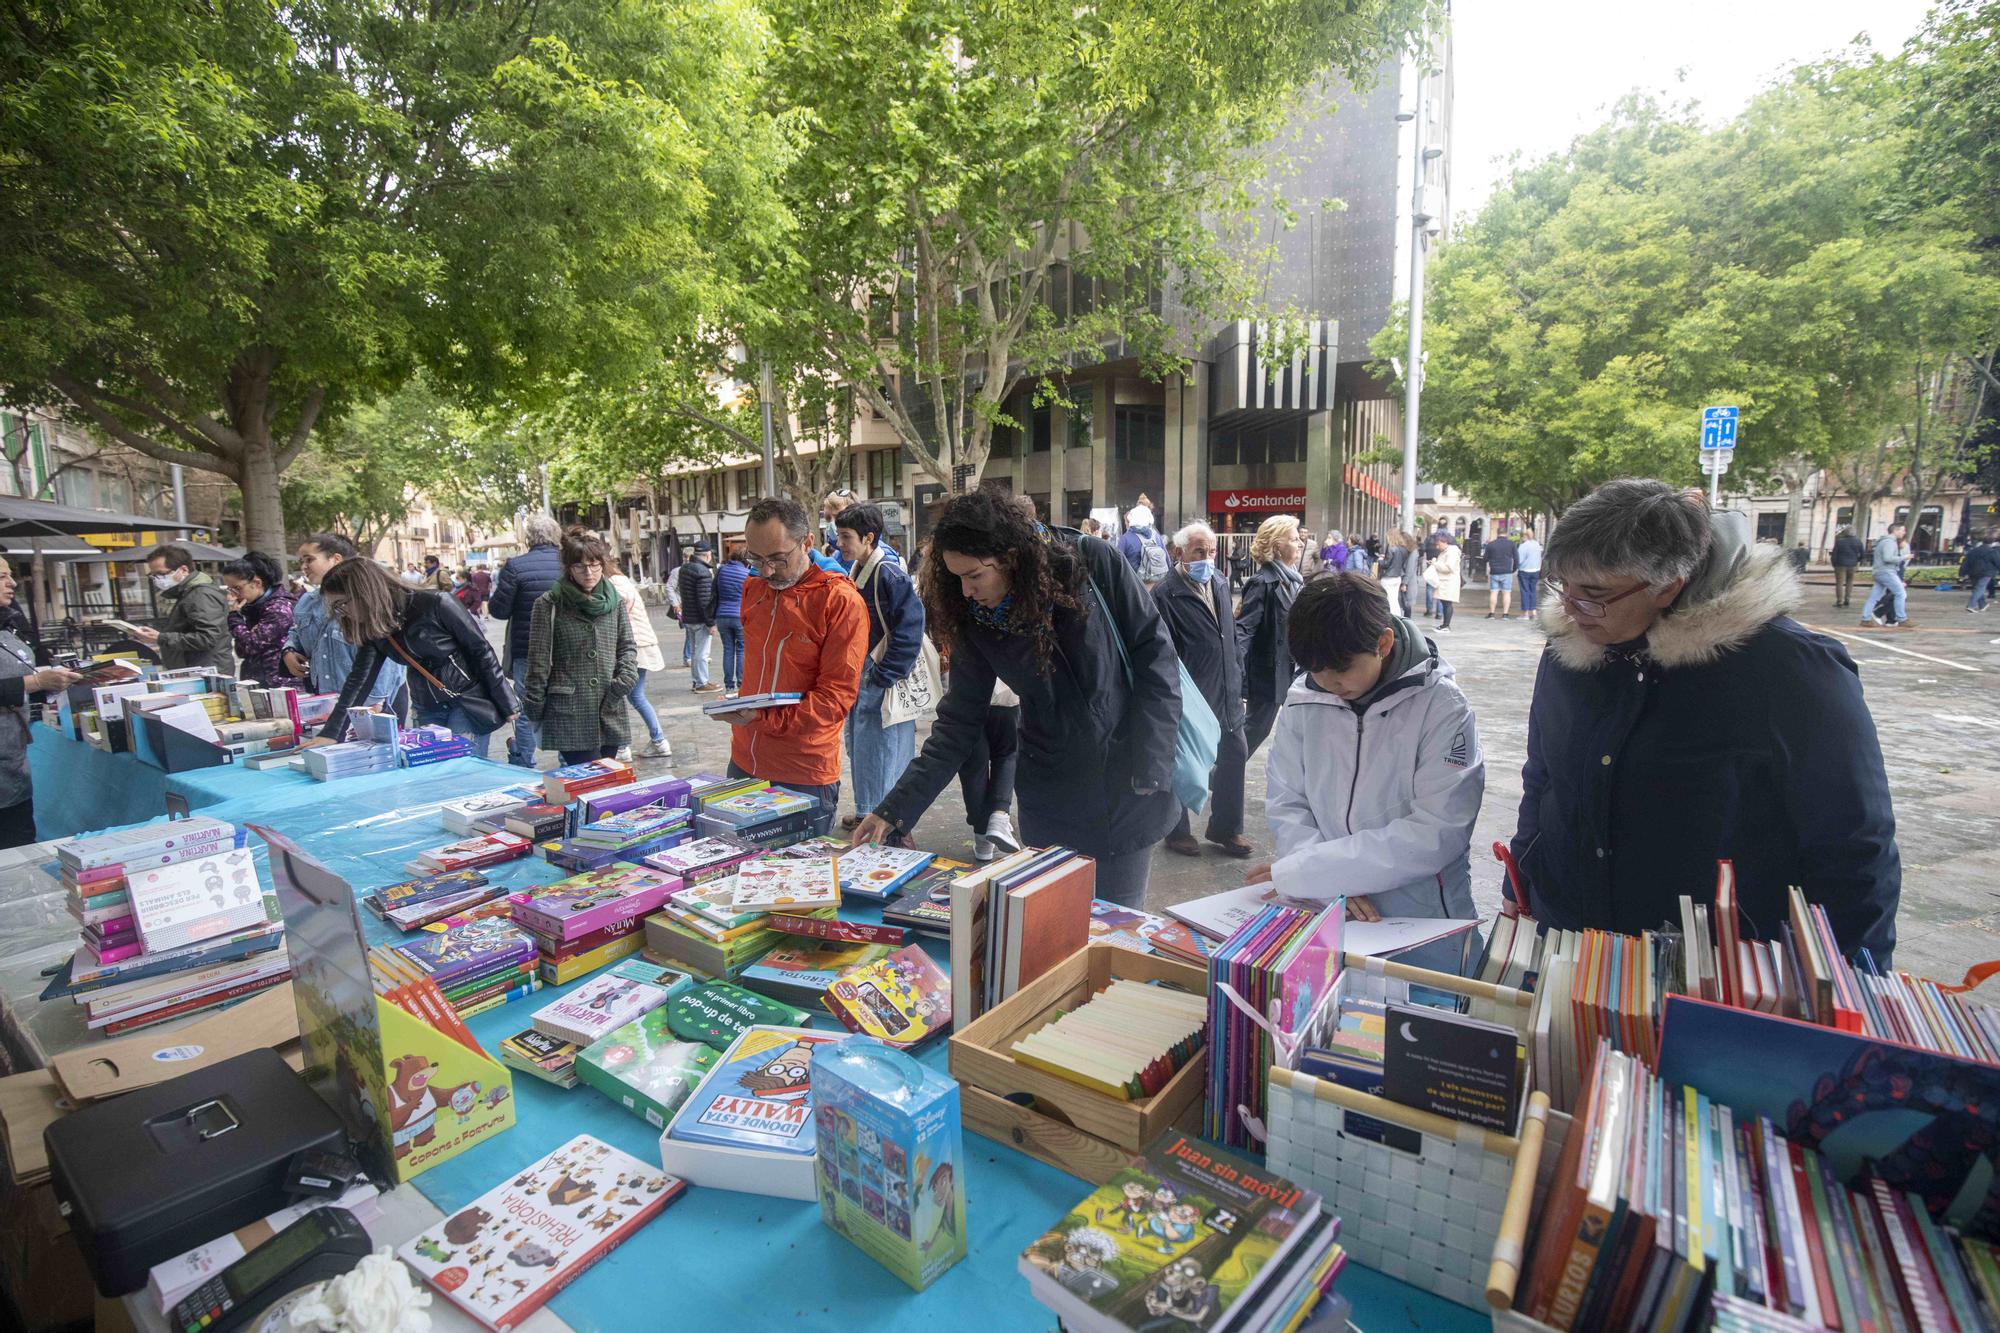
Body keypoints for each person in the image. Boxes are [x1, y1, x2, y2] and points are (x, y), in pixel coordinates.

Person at [1510, 479, 1899, 959]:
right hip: (1571, 938)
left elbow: (1853, 841)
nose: (1570, 606)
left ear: (1666, 585)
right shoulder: (1574, 644)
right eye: (1561, 584)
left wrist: (1854, 976)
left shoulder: (1788, 667)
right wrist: (1522, 884)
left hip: (1718, 963)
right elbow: (1543, 777)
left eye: (1594, 592)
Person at [853, 490, 1180, 907]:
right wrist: (893, 809)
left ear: (1009, 557)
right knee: (1055, 930)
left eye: (974, 576)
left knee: (1116, 929)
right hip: (1050, 793)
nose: (966, 591)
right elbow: (957, 723)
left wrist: (1150, 764)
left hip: (1129, 784)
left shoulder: (1093, 562)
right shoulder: (973, 616)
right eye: (956, 578)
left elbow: (1157, 659)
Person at [1247, 572, 1483, 973]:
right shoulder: (1305, 699)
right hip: (1330, 908)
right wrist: (1323, 881)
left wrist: (1316, 873)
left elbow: (1437, 829)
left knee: (1426, 1015)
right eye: (1314, 669)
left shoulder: (1441, 706)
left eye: (1341, 669)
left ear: (1384, 643)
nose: (1328, 683)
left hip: (1420, 916)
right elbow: (1288, 799)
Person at [714, 497, 869, 811]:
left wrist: (763, 718)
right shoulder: (754, 587)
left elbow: (834, 699)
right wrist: (744, 709)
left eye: (778, 558)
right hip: (744, 760)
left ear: (807, 542)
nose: (767, 570)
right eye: (755, 559)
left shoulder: (839, 601)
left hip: (803, 770)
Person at [316, 557, 516, 756]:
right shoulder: (376, 626)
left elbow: (480, 650)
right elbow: (360, 678)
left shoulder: (436, 602)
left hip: (467, 700)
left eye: (341, 604)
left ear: (363, 592)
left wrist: (506, 702)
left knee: (459, 770)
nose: (342, 613)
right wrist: (332, 732)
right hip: (425, 705)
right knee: (431, 773)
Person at [1151, 523, 1250, 859]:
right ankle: (1176, 831)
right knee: (1184, 762)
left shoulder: (1220, 582)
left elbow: (1232, 637)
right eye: (1199, 552)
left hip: (1227, 689)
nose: (1207, 558)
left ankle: (1226, 828)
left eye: (1210, 552)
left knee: (1235, 754)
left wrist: (1240, 678)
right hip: (1191, 695)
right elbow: (1164, 651)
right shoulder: (1165, 593)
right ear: (1180, 553)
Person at [836, 503, 925, 831]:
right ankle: (867, 810)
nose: (840, 543)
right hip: (866, 671)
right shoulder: (859, 568)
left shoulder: (887, 571)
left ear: (868, 537)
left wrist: (887, 672)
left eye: (846, 537)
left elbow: (912, 623)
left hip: (881, 674)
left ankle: (887, 818)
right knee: (863, 745)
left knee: (884, 748)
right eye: (839, 536)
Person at [521, 528, 638, 764]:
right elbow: (538, 661)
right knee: (585, 782)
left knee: (607, 781)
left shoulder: (613, 600)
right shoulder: (548, 604)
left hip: (609, 703)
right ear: (568, 568)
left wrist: (625, 678)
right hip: (569, 710)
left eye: (595, 565)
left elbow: (626, 645)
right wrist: (534, 707)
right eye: (580, 566)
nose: (589, 572)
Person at [0, 557, 79, 847]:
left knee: (19, 844)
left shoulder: (9, 621)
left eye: (10, 575)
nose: (12, 583)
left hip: (12, 764)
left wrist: (55, 681)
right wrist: (35, 682)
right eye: (2, 576)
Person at [283, 532, 405, 710]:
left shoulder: (370, 601)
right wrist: (289, 650)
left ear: (335, 559)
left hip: (371, 704)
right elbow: (296, 632)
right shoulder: (306, 602)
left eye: (309, 560)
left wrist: (374, 704)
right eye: (301, 561)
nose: (304, 567)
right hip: (327, 702)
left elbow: (386, 661)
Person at [487, 515, 564, 766]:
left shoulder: (516, 566)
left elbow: (498, 610)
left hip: (526, 648)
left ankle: (523, 761)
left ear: (528, 538)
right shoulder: (568, 565)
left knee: (526, 707)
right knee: (565, 705)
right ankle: (569, 760)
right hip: (565, 649)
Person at [1237, 514, 1304, 758]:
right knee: (1257, 727)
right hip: (1267, 671)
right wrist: (1234, 668)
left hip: (1291, 668)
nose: (1300, 544)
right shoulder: (1262, 582)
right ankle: (1220, 772)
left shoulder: (1294, 580)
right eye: (1294, 539)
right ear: (1277, 546)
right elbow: (1244, 629)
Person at [604, 554, 671, 760]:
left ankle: (625, 746)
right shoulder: (621, 580)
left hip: (633, 645)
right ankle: (658, 741)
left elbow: (616, 610)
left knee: (624, 695)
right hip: (640, 643)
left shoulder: (614, 584)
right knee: (634, 695)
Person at [133, 544, 235, 674]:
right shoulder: (189, 593)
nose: (157, 580)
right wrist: (159, 636)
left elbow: (207, 638)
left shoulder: (200, 594)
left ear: (183, 570)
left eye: (161, 574)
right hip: (197, 669)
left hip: (206, 672)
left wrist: (161, 638)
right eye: (153, 575)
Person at [219, 552, 296, 687]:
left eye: (237, 588)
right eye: (229, 589)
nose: (232, 596)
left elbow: (251, 645)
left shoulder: (279, 608)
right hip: (258, 680)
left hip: (280, 684)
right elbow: (241, 650)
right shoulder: (252, 608)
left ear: (256, 582)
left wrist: (235, 617)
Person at [677, 541, 721, 693]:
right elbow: (705, 601)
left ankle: (697, 681)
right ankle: (702, 683)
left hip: (689, 617)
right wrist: (711, 623)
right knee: (702, 653)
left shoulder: (685, 569)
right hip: (700, 619)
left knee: (695, 652)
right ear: (707, 555)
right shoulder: (703, 572)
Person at [1860, 522, 1910, 629]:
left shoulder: (1884, 541)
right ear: (1895, 531)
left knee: (1874, 597)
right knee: (1901, 593)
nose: (1904, 532)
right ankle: (1902, 619)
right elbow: (1888, 558)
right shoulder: (1889, 542)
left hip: (1879, 571)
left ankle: (1866, 618)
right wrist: (1904, 557)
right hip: (1886, 571)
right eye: (1902, 530)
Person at [714, 542, 749, 695]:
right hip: (738, 616)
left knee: (728, 649)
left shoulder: (721, 571)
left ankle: (729, 685)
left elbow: (713, 590)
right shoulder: (746, 574)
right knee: (741, 648)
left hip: (722, 615)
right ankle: (741, 683)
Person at [1117, 505, 1170, 586]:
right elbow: (1167, 560)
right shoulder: (1156, 536)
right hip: (1157, 584)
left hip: (1135, 585)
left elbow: (1117, 563)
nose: (1125, 522)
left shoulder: (1125, 538)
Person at [1426, 530, 1462, 632]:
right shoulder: (1446, 551)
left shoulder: (1452, 552)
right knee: (1444, 602)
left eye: (1438, 544)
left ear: (1444, 541)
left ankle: (1446, 625)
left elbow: (1448, 567)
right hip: (1444, 581)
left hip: (1448, 581)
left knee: (1447, 603)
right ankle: (1445, 624)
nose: (1437, 547)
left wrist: (1435, 564)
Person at [1377, 530, 1415, 617]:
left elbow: (1386, 564)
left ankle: (1390, 617)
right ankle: (1397, 616)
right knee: (1394, 600)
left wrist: (1380, 561)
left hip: (1388, 577)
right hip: (1397, 577)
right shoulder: (1404, 549)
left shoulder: (1391, 547)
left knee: (1388, 599)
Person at [1484, 529, 1518, 619]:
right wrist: (1513, 569)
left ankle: (1492, 613)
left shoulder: (1491, 544)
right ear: (1506, 534)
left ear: (1497, 533)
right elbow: (1516, 558)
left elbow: (1485, 558)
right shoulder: (1511, 544)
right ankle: (1505, 614)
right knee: (1506, 593)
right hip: (1507, 571)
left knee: (1494, 592)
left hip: (1494, 571)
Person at [1962, 531, 1998, 614]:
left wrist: (1962, 573)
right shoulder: (1992, 551)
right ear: (1992, 542)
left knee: (1977, 589)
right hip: (1986, 572)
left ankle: (1983, 605)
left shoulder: (1973, 551)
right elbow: (1997, 562)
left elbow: (1966, 562)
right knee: (1980, 588)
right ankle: (1971, 605)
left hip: (1973, 572)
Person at [1829, 525, 1863, 608]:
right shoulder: (1858, 542)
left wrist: (1834, 564)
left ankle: (1839, 601)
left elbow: (1834, 554)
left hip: (1840, 565)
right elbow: (1862, 554)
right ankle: (1847, 599)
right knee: (1850, 582)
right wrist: (1857, 561)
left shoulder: (1839, 541)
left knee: (1839, 583)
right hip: (1852, 565)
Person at [1517, 530, 1544, 621]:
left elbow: (1519, 560)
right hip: (1535, 570)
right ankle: (1534, 612)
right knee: (1533, 591)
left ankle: (1525, 614)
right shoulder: (1537, 545)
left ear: (1523, 536)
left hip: (1524, 570)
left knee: (1525, 591)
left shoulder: (1523, 546)